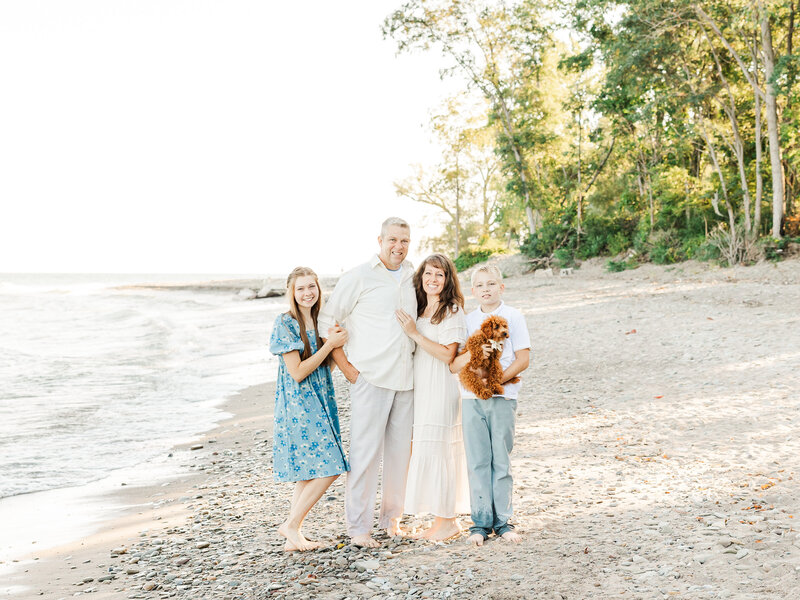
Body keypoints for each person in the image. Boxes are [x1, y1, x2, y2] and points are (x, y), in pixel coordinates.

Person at [319, 217, 417, 548]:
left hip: (406, 380)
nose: (398, 247)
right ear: (380, 240)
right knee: (364, 456)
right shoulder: (360, 276)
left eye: (404, 241)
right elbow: (326, 320)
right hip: (370, 379)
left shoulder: (412, 275)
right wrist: (345, 366)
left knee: (400, 455)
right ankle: (358, 529)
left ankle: (392, 520)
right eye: (392, 240)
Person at [269, 266, 350, 552]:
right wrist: (329, 346)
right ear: (292, 293)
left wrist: (334, 343)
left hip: (321, 398)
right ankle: (291, 525)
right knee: (332, 466)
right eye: (300, 288)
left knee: (307, 473)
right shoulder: (285, 323)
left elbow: (324, 364)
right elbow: (298, 372)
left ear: (319, 289)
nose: (307, 293)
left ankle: (294, 533)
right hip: (299, 405)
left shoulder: (321, 320)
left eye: (311, 287)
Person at [450, 264, 531, 546]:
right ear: (473, 291)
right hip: (472, 400)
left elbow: (523, 359)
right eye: (480, 285)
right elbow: (456, 362)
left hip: (503, 397)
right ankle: (480, 523)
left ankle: (503, 521)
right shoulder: (468, 320)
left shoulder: (514, 317)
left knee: (501, 459)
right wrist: (477, 379)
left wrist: (496, 383)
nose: (486, 289)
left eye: (491, 284)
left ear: (501, 287)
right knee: (478, 461)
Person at [395, 253, 470, 541]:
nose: (433, 279)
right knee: (428, 450)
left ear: (448, 279)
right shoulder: (421, 309)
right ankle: (440, 519)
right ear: (421, 277)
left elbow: (447, 355)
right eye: (428, 273)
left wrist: (414, 333)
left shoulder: (451, 310)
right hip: (422, 387)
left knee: (442, 452)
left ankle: (449, 521)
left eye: (439, 274)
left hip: (441, 387)